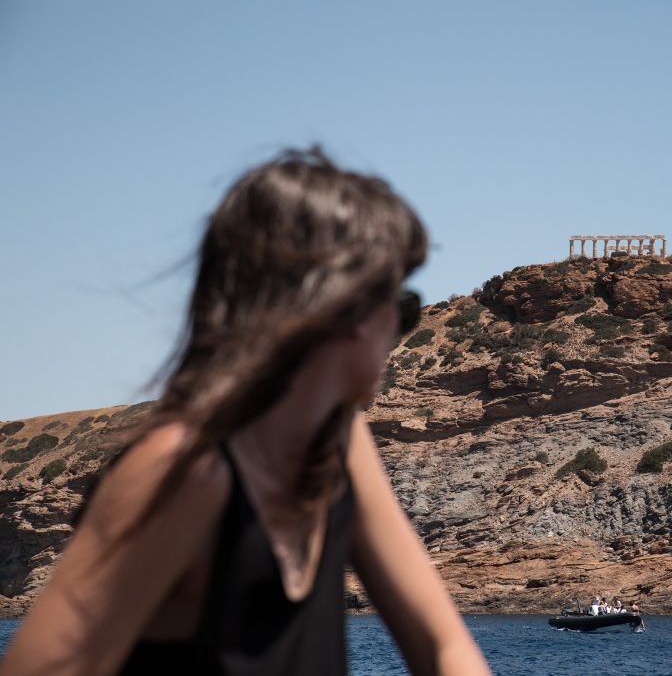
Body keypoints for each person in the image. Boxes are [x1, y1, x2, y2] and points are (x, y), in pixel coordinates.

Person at [1, 147, 492, 676]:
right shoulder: (184, 472)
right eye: (400, 307)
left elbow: (444, 647)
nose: (401, 334)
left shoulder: (340, 441)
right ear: (339, 307)